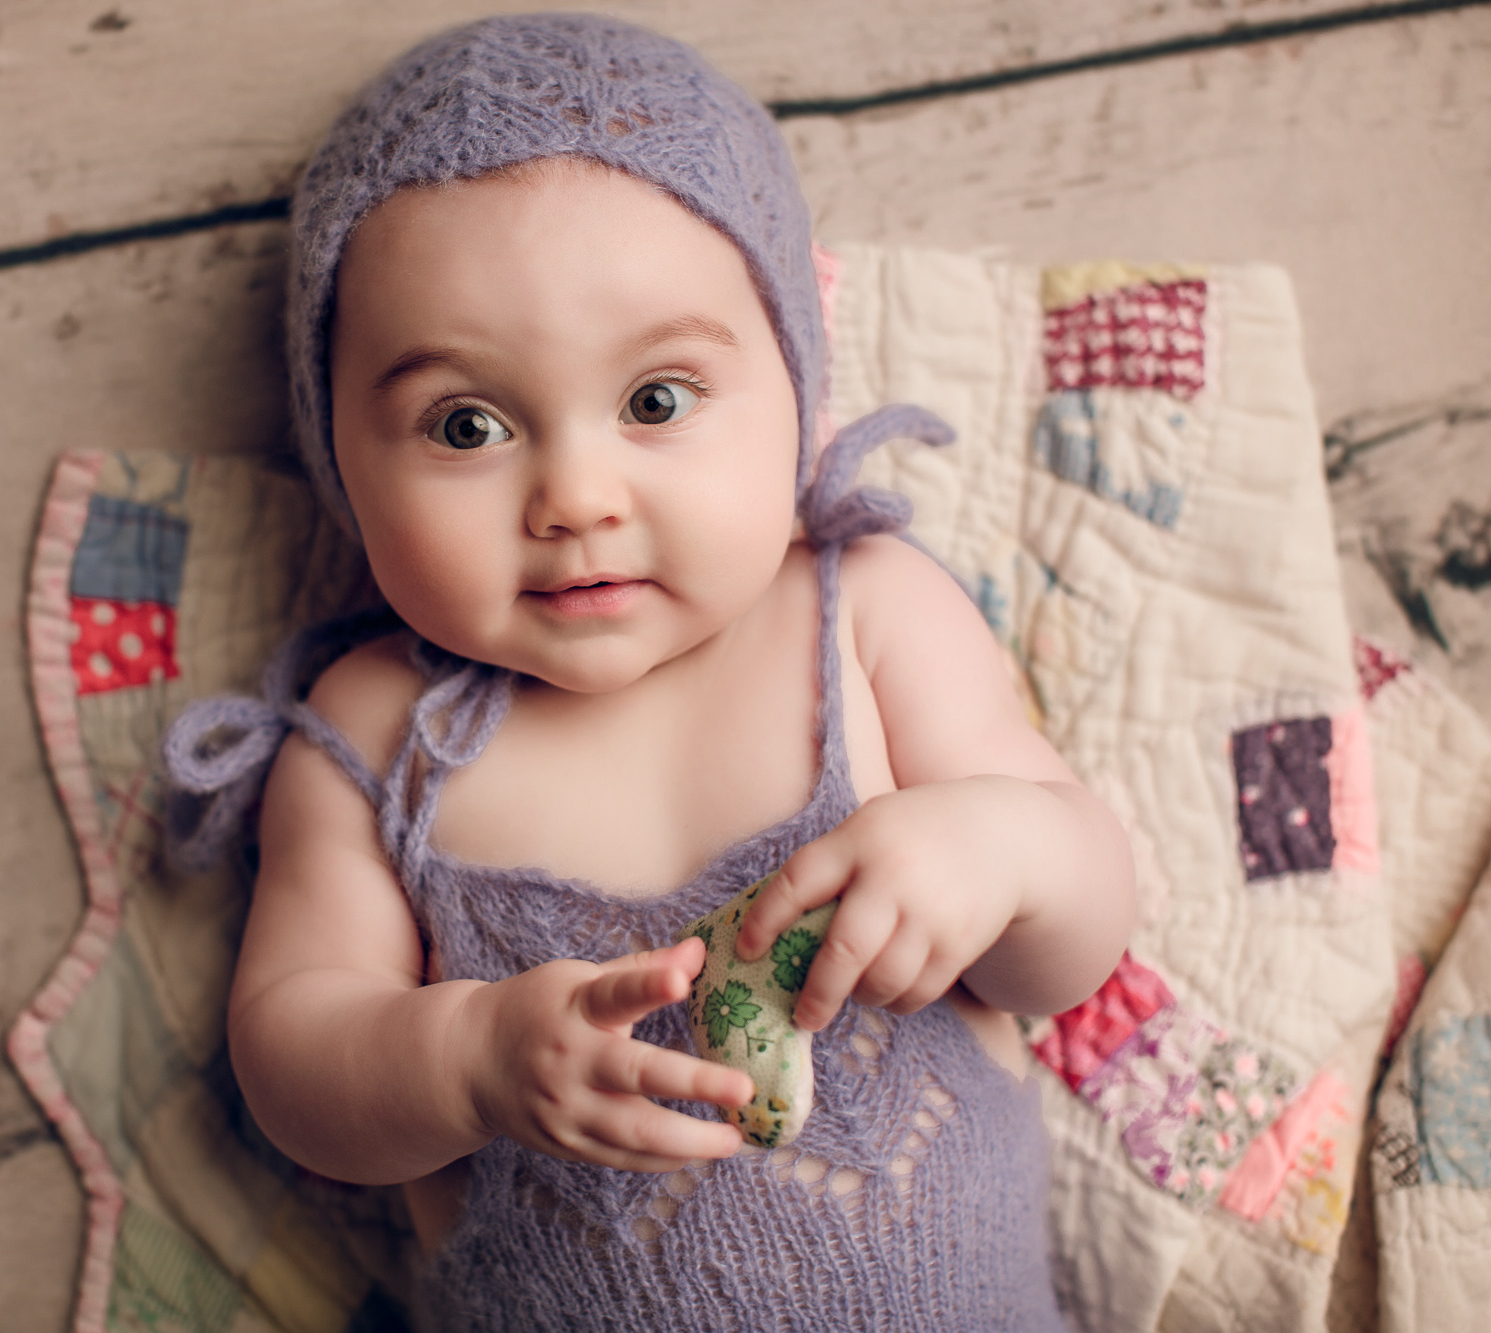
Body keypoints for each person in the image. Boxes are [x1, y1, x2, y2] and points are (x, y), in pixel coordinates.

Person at [164, 14, 1135, 1330]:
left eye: (659, 400)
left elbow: (1074, 942)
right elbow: (289, 1058)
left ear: (795, 384)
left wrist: (1001, 852)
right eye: (468, 424)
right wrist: (464, 1059)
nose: (575, 495)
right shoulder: (373, 735)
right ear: (339, 453)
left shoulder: (864, 617)